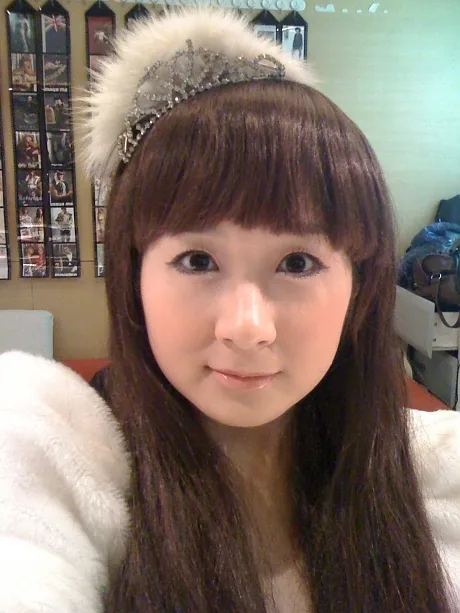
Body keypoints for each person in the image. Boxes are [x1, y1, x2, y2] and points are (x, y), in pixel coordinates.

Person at [0, 8, 459, 613]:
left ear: (360, 284)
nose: (246, 328)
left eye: (297, 263)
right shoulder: (55, 449)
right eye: (197, 261)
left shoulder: (432, 474)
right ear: (134, 274)